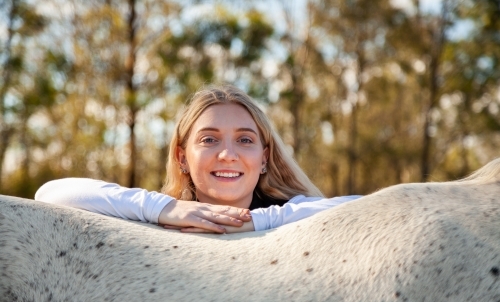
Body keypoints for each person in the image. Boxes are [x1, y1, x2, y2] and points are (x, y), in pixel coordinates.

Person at [35, 85, 361, 233]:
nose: (228, 154)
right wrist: (167, 209)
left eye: (245, 140)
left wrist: (258, 221)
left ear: (264, 159)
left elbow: (363, 206)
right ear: (182, 158)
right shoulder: (154, 217)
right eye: (209, 139)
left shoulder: (292, 217)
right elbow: (50, 193)